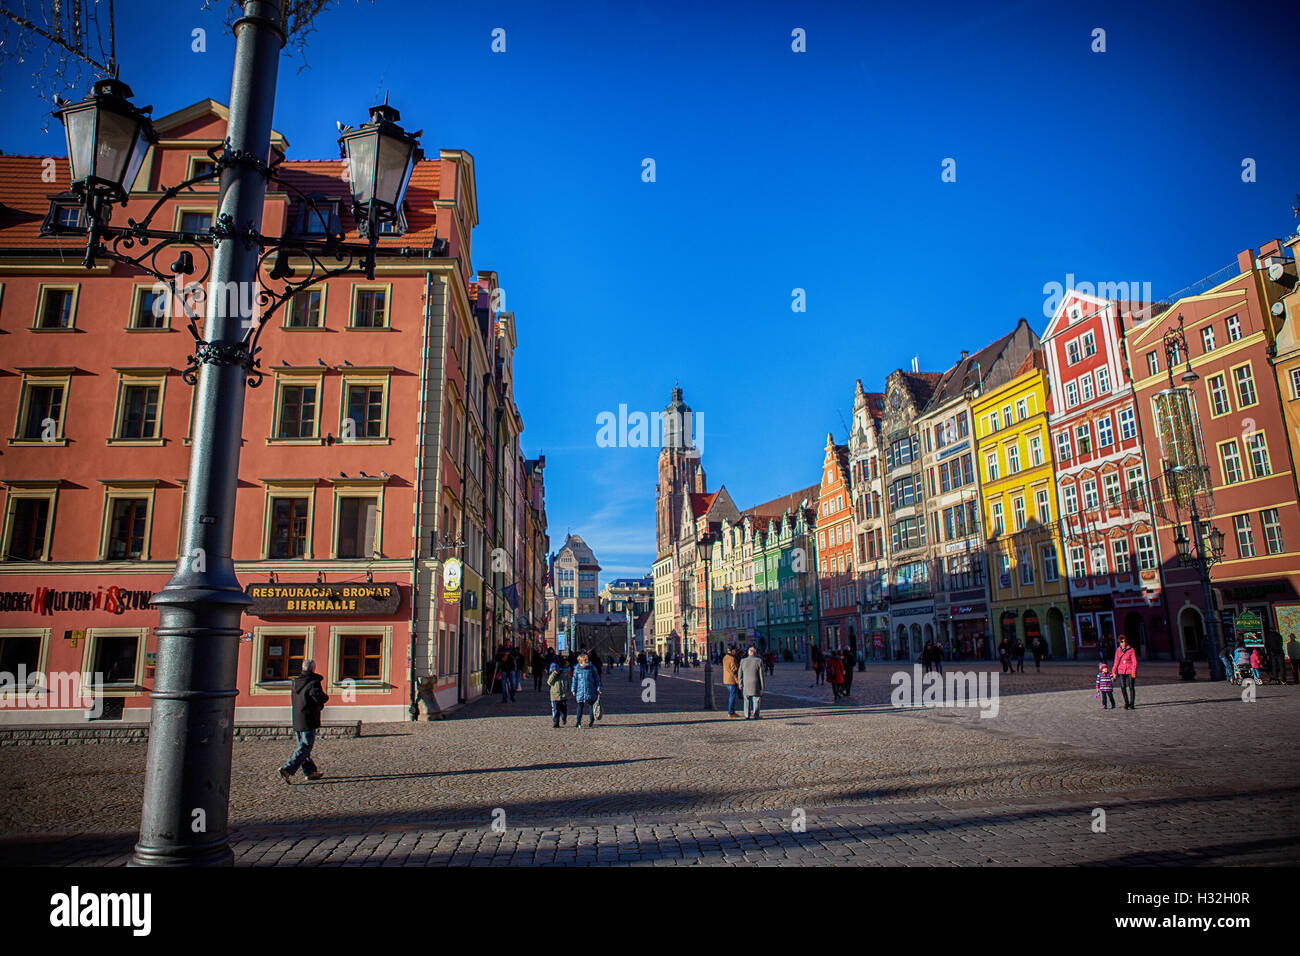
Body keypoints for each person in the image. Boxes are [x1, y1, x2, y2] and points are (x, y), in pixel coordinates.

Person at [280, 659, 328, 782]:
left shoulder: (296, 682)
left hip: (297, 718)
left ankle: (310, 772)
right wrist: (324, 699)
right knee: (306, 746)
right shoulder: (313, 682)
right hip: (308, 718)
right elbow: (318, 696)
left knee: (303, 746)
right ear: (313, 669)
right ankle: (288, 768)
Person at [571, 653, 601, 729]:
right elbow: (574, 680)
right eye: (585, 660)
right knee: (580, 707)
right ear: (581, 661)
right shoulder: (577, 669)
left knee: (591, 706)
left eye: (587, 660)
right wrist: (573, 690)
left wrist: (598, 688)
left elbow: (597, 678)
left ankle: (591, 721)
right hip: (580, 691)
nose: (587, 661)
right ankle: (578, 722)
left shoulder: (592, 668)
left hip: (590, 689)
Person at [739, 646, 765, 719]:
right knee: (756, 699)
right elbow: (761, 675)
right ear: (755, 653)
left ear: (748, 653)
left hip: (746, 683)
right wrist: (762, 686)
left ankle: (747, 715)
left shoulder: (743, 661)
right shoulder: (758, 661)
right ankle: (756, 714)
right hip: (755, 683)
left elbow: (740, 673)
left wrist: (740, 683)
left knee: (746, 699)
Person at [1112, 635, 1137, 709]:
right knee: (1123, 687)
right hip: (1121, 671)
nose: (1123, 643)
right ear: (1119, 642)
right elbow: (1116, 661)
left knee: (1131, 687)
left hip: (1130, 670)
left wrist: (1133, 671)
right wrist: (1114, 671)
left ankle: (1132, 703)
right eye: (1121, 641)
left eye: (1124, 641)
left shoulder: (1131, 650)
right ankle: (1126, 702)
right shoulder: (1118, 650)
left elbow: (1134, 661)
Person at [546, 660, 571, 727]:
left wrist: (570, 689)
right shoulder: (552, 675)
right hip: (554, 695)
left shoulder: (565, 674)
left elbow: (569, 682)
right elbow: (549, 682)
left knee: (563, 709)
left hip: (563, 695)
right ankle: (556, 722)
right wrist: (554, 674)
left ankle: (564, 718)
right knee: (555, 709)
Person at [722, 646, 742, 717]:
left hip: (726, 679)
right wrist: (738, 681)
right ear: (732, 651)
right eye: (734, 650)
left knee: (731, 695)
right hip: (732, 680)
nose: (735, 651)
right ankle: (731, 712)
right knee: (732, 696)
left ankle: (731, 711)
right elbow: (734, 670)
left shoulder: (725, 657)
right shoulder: (732, 659)